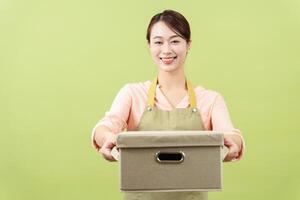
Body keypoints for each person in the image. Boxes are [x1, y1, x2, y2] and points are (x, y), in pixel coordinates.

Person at [91, 9, 245, 200]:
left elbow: (231, 134)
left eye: (175, 41)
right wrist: (107, 138)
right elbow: (105, 126)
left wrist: (232, 143)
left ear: (188, 45)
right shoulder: (132, 93)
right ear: (149, 46)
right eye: (158, 42)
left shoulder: (210, 99)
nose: (166, 50)